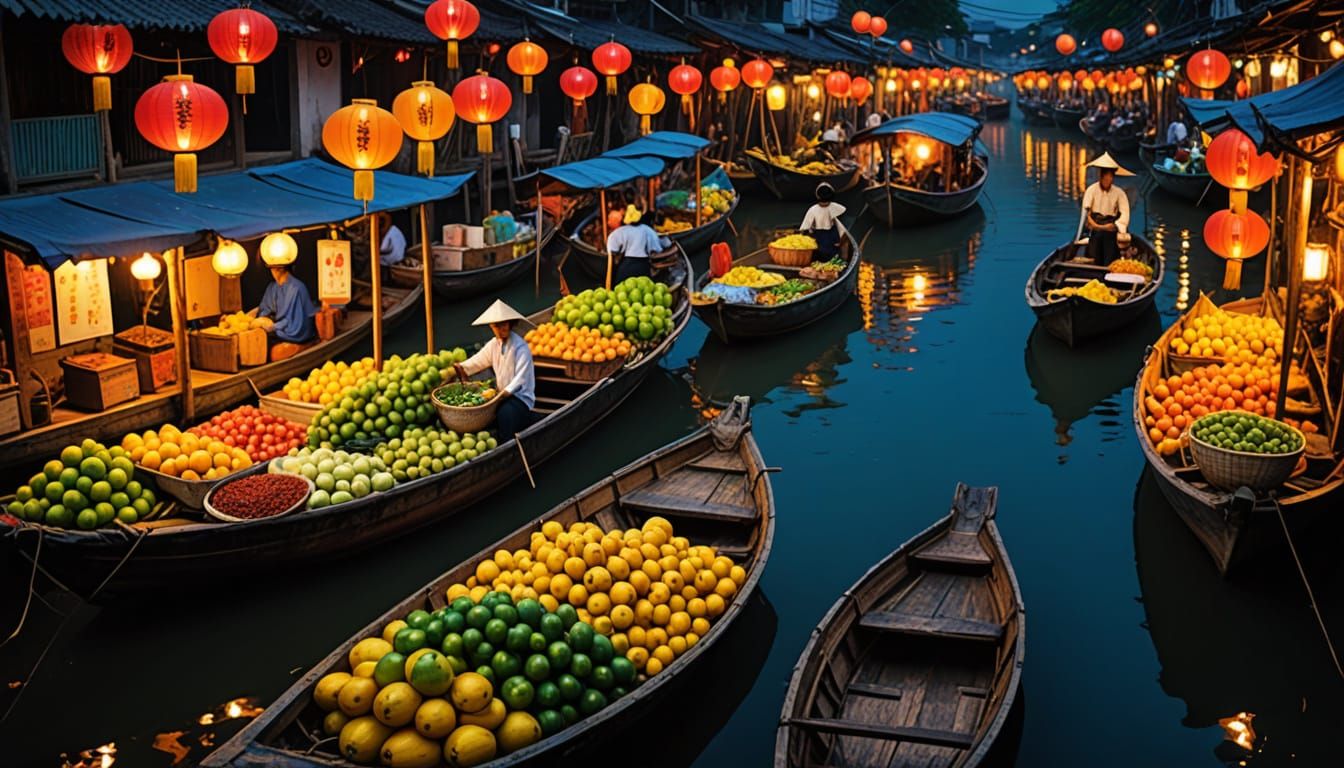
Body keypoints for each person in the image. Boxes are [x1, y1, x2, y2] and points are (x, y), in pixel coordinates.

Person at [454, 300, 536, 436]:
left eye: (503, 325)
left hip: (519, 398)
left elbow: (520, 379)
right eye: (495, 326)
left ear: (510, 324)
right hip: (500, 396)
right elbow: (477, 361)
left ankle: (507, 445)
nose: (500, 330)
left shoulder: (520, 347)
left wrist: (503, 393)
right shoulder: (493, 345)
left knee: (505, 414)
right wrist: (460, 367)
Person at [254, 242, 318, 360]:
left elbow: (296, 321)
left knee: (274, 352)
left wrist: (274, 326)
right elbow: (264, 308)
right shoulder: (272, 287)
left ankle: (302, 347)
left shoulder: (297, 288)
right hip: (276, 329)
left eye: (272, 268)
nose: (272, 271)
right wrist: (258, 318)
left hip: (293, 331)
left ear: (279, 268)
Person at [1081, 155, 1131, 264]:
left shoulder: (1119, 193)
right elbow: (1086, 212)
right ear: (1101, 177)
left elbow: (1125, 214)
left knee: (1110, 244)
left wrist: (1115, 225)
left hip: (1111, 226)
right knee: (1095, 242)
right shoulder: (1091, 190)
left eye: (1111, 177)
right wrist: (1094, 225)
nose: (1108, 180)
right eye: (1106, 177)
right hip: (1094, 225)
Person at [606, 205, 666, 283]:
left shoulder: (620, 231)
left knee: (622, 288)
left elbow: (612, 249)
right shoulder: (647, 230)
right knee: (645, 288)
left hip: (626, 265)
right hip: (643, 265)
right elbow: (657, 248)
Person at [800, 182, 847, 259]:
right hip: (832, 240)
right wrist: (841, 243)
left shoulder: (813, 209)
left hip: (819, 239)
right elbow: (844, 231)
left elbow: (804, 228)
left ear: (817, 196)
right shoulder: (838, 208)